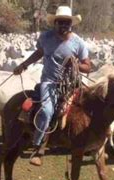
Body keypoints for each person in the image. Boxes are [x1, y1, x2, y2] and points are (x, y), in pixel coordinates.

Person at [13, 6, 92, 166]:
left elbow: (88, 67)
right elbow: (39, 52)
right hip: (49, 81)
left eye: (66, 23)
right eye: (60, 22)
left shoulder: (78, 43)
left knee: (90, 108)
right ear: (54, 23)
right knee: (48, 110)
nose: (63, 25)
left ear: (71, 24)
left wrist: (75, 63)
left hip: (71, 83)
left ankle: (93, 143)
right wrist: (24, 64)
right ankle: (38, 147)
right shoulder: (46, 37)